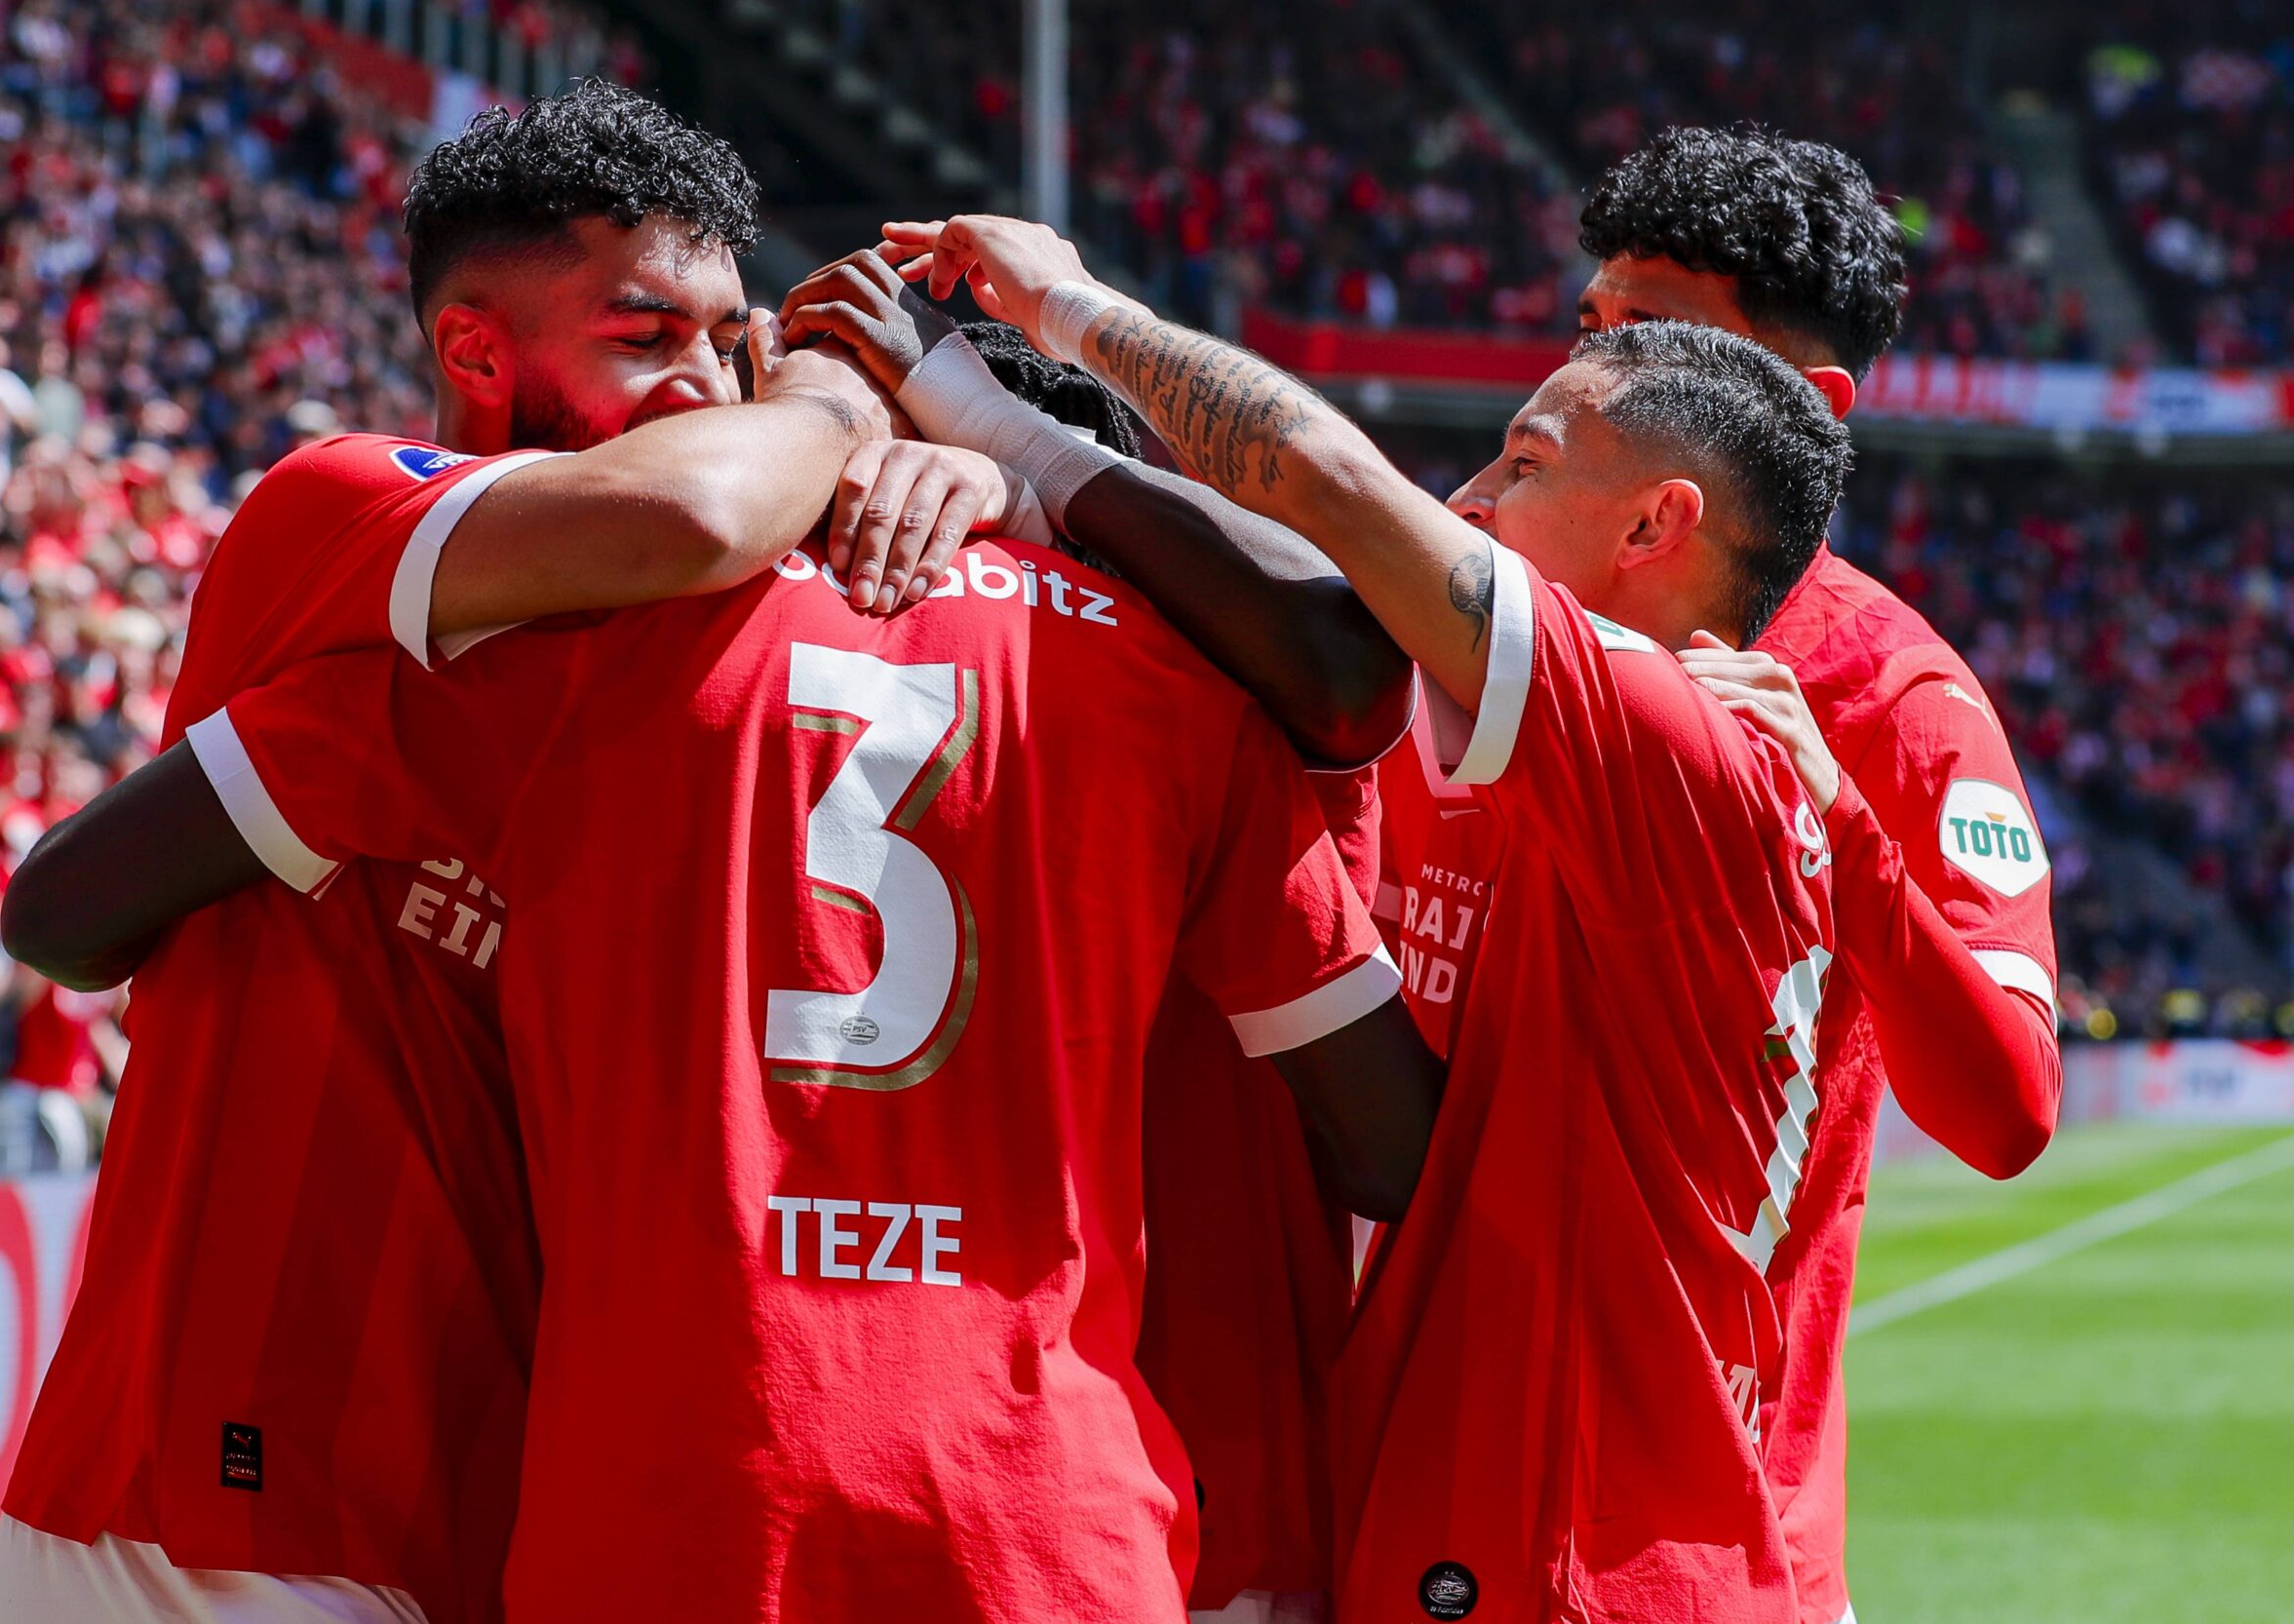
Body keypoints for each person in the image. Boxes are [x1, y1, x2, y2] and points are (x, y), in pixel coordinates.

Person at [16, 363, 1449, 1621]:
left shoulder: (592, 642)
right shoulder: (1182, 696)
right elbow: (1392, 1141)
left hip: (679, 1501)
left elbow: (74, 900)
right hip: (1040, 1513)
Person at [0, 84, 980, 1622]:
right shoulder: (344, 507)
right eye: (648, 338)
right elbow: (695, 511)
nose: (711, 385)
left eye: (733, 340)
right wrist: (849, 403)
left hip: (492, 1503)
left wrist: (970, 473)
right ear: (475, 353)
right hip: (229, 1488)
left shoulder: (674, 669)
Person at [878, 210, 1853, 1621]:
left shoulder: (1685, 753)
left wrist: (1043, 339)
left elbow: (1325, 485)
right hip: (1530, 1524)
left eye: (1524, 462)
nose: (1465, 499)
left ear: (1658, 524)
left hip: (1574, 1557)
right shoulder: (1576, 765)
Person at [778, 250, 1414, 1623]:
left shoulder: (725, 659)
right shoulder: (1201, 685)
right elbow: (1348, 652)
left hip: (811, 1454)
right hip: (1160, 1493)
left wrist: (1011, 470)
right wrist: (1038, 476)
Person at [1572, 126, 2063, 1624]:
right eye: (1592, 329)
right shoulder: (1483, 600)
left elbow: (2006, 1111)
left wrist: (1841, 828)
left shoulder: (1894, 698)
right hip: (1428, 1481)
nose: (1595, 376)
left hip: (1718, 1538)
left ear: (1804, 408)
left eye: (1654, 338)